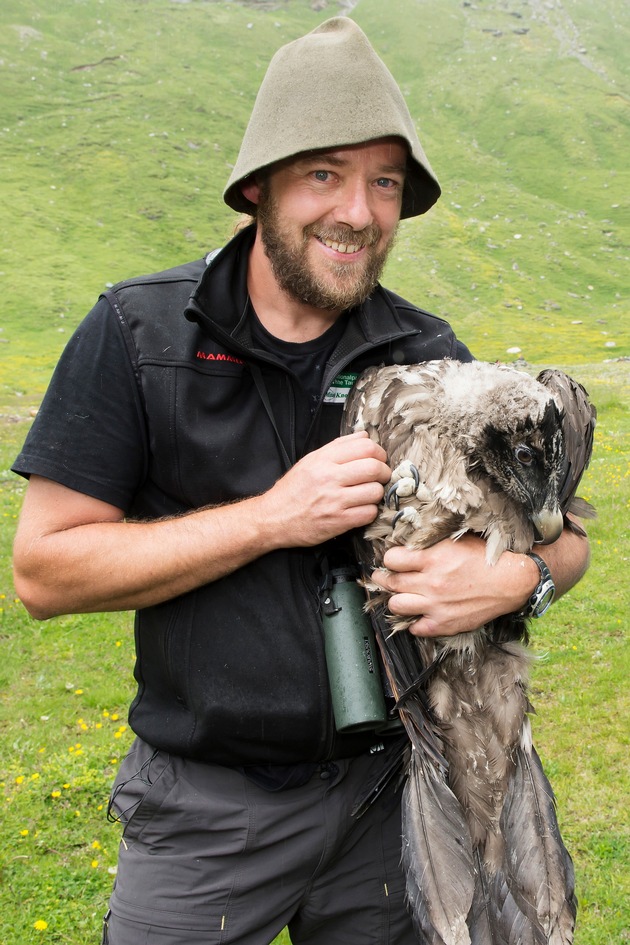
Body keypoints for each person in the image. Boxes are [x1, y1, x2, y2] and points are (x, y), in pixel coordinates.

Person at [12, 16, 589, 945]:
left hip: (397, 800)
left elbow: (565, 538)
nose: (357, 212)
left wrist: (521, 577)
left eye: (384, 182)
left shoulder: (427, 354)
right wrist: (273, 517)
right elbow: (44, 571)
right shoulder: (137, 334)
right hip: (205, 813)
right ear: (257, 189)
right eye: (324, 173)